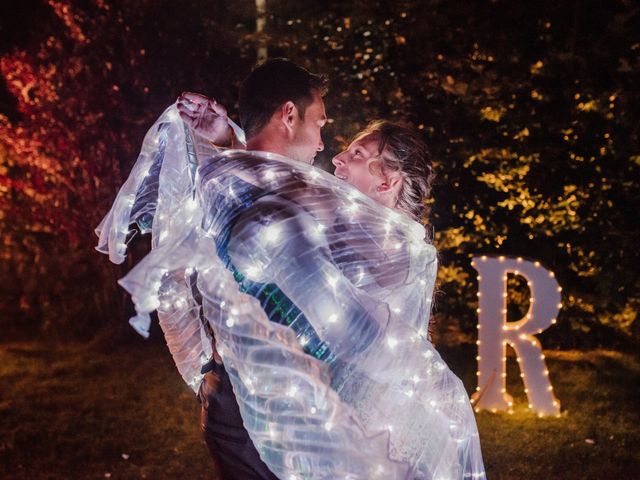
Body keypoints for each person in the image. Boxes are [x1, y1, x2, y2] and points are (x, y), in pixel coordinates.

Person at [97, 58, 485, 479]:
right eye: (322, 126)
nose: (331, 153)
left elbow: (273, 187)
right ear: (289, 113)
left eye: (355, 153)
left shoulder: (390, 248)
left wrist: (231, 141)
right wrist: (231, 139)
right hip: (271, 415)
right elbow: (271, 186)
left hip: (322, 421)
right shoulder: (308, 211)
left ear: (388, 181)